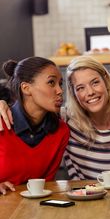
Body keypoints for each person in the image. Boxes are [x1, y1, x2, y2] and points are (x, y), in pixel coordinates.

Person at [0, 56, 110, 181]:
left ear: (106, 81)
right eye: (80, 88)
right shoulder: (67, 121)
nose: (60, 91)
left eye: (95, 82)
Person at [0, 57, 69, 195]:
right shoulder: (0, 122)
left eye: (60, 84)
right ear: (26, 88)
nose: (60, 91)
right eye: (51, 82)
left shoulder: (61, 131)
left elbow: (47, 185)